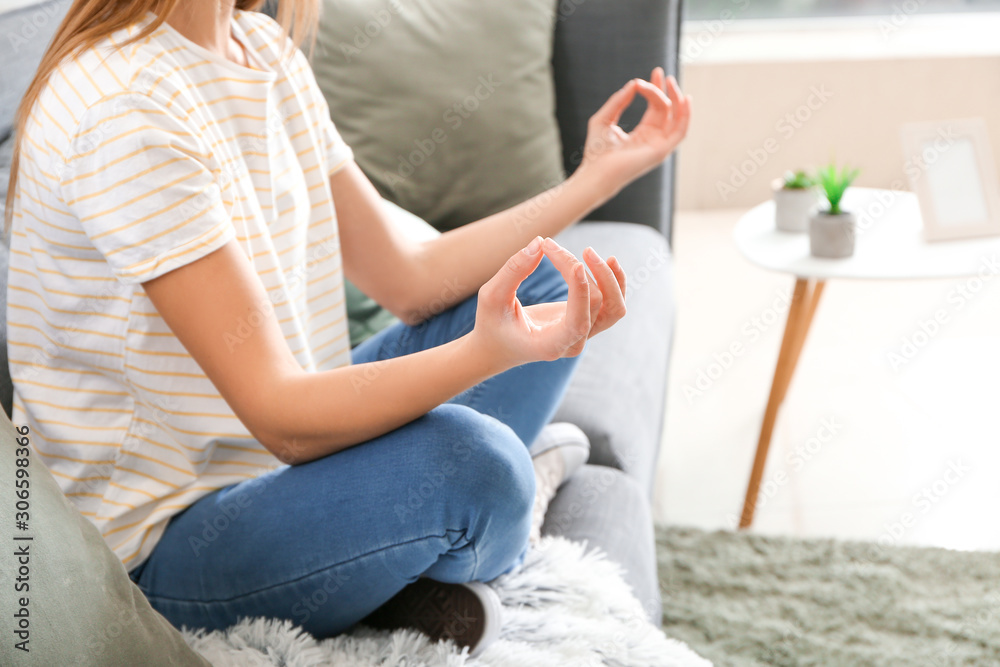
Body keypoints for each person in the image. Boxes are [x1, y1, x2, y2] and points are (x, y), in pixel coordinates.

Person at [3, 0, 690, 657]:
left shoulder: (262, 50)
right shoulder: (125, 112)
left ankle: (396, 567)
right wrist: (487, 351)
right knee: (483, 466)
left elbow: (410, 276)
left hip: (290, 462)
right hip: (164, 549)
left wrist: (594, 178)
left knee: (543, 277)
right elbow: (282, 417)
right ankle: (467, 531)